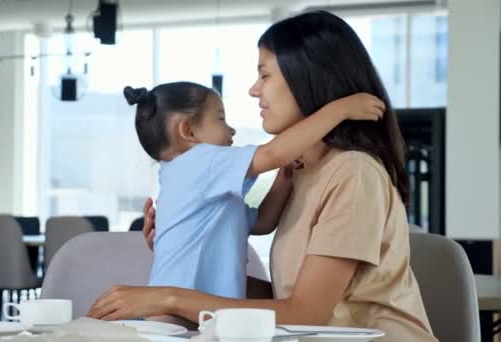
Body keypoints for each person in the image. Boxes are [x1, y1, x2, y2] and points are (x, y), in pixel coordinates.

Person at [89, 10, 438, 342]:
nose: (254, 90)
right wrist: (188, 254)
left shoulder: (351, 173)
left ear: (308, 77)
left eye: (265, 75)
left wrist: (168, 297)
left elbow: (305, 314)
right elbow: (288, 302)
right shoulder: (300, 176)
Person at [122, 82, 381, 301]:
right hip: (178, 309)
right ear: (188, 131)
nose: (231, 130)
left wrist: (284, 176)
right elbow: (271, 153)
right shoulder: (200, 161)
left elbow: (262, 222)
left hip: (188, 306)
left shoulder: (188, 178)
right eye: (221, 119)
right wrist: (340, 109)